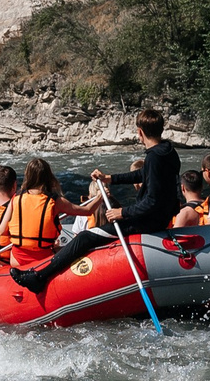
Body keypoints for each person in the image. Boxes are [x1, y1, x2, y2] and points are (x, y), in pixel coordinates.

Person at [12, 110, 181, 295]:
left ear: (140, 132)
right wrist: (109, 178)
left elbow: (152, 201)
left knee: (85, 237)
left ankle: (39, 277)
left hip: (148, 222)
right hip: (158, 217)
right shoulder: (167, 152)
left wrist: (122, 213)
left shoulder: (154, 157)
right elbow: (142, 174)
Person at [1, 159, 65, 267]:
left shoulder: (17, 198)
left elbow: (2, 231)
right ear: (49, 177)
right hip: (44, 259)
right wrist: (100, 196)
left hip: (17, 260)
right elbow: (87, 210)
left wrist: (21, 236)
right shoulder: (54, 201)